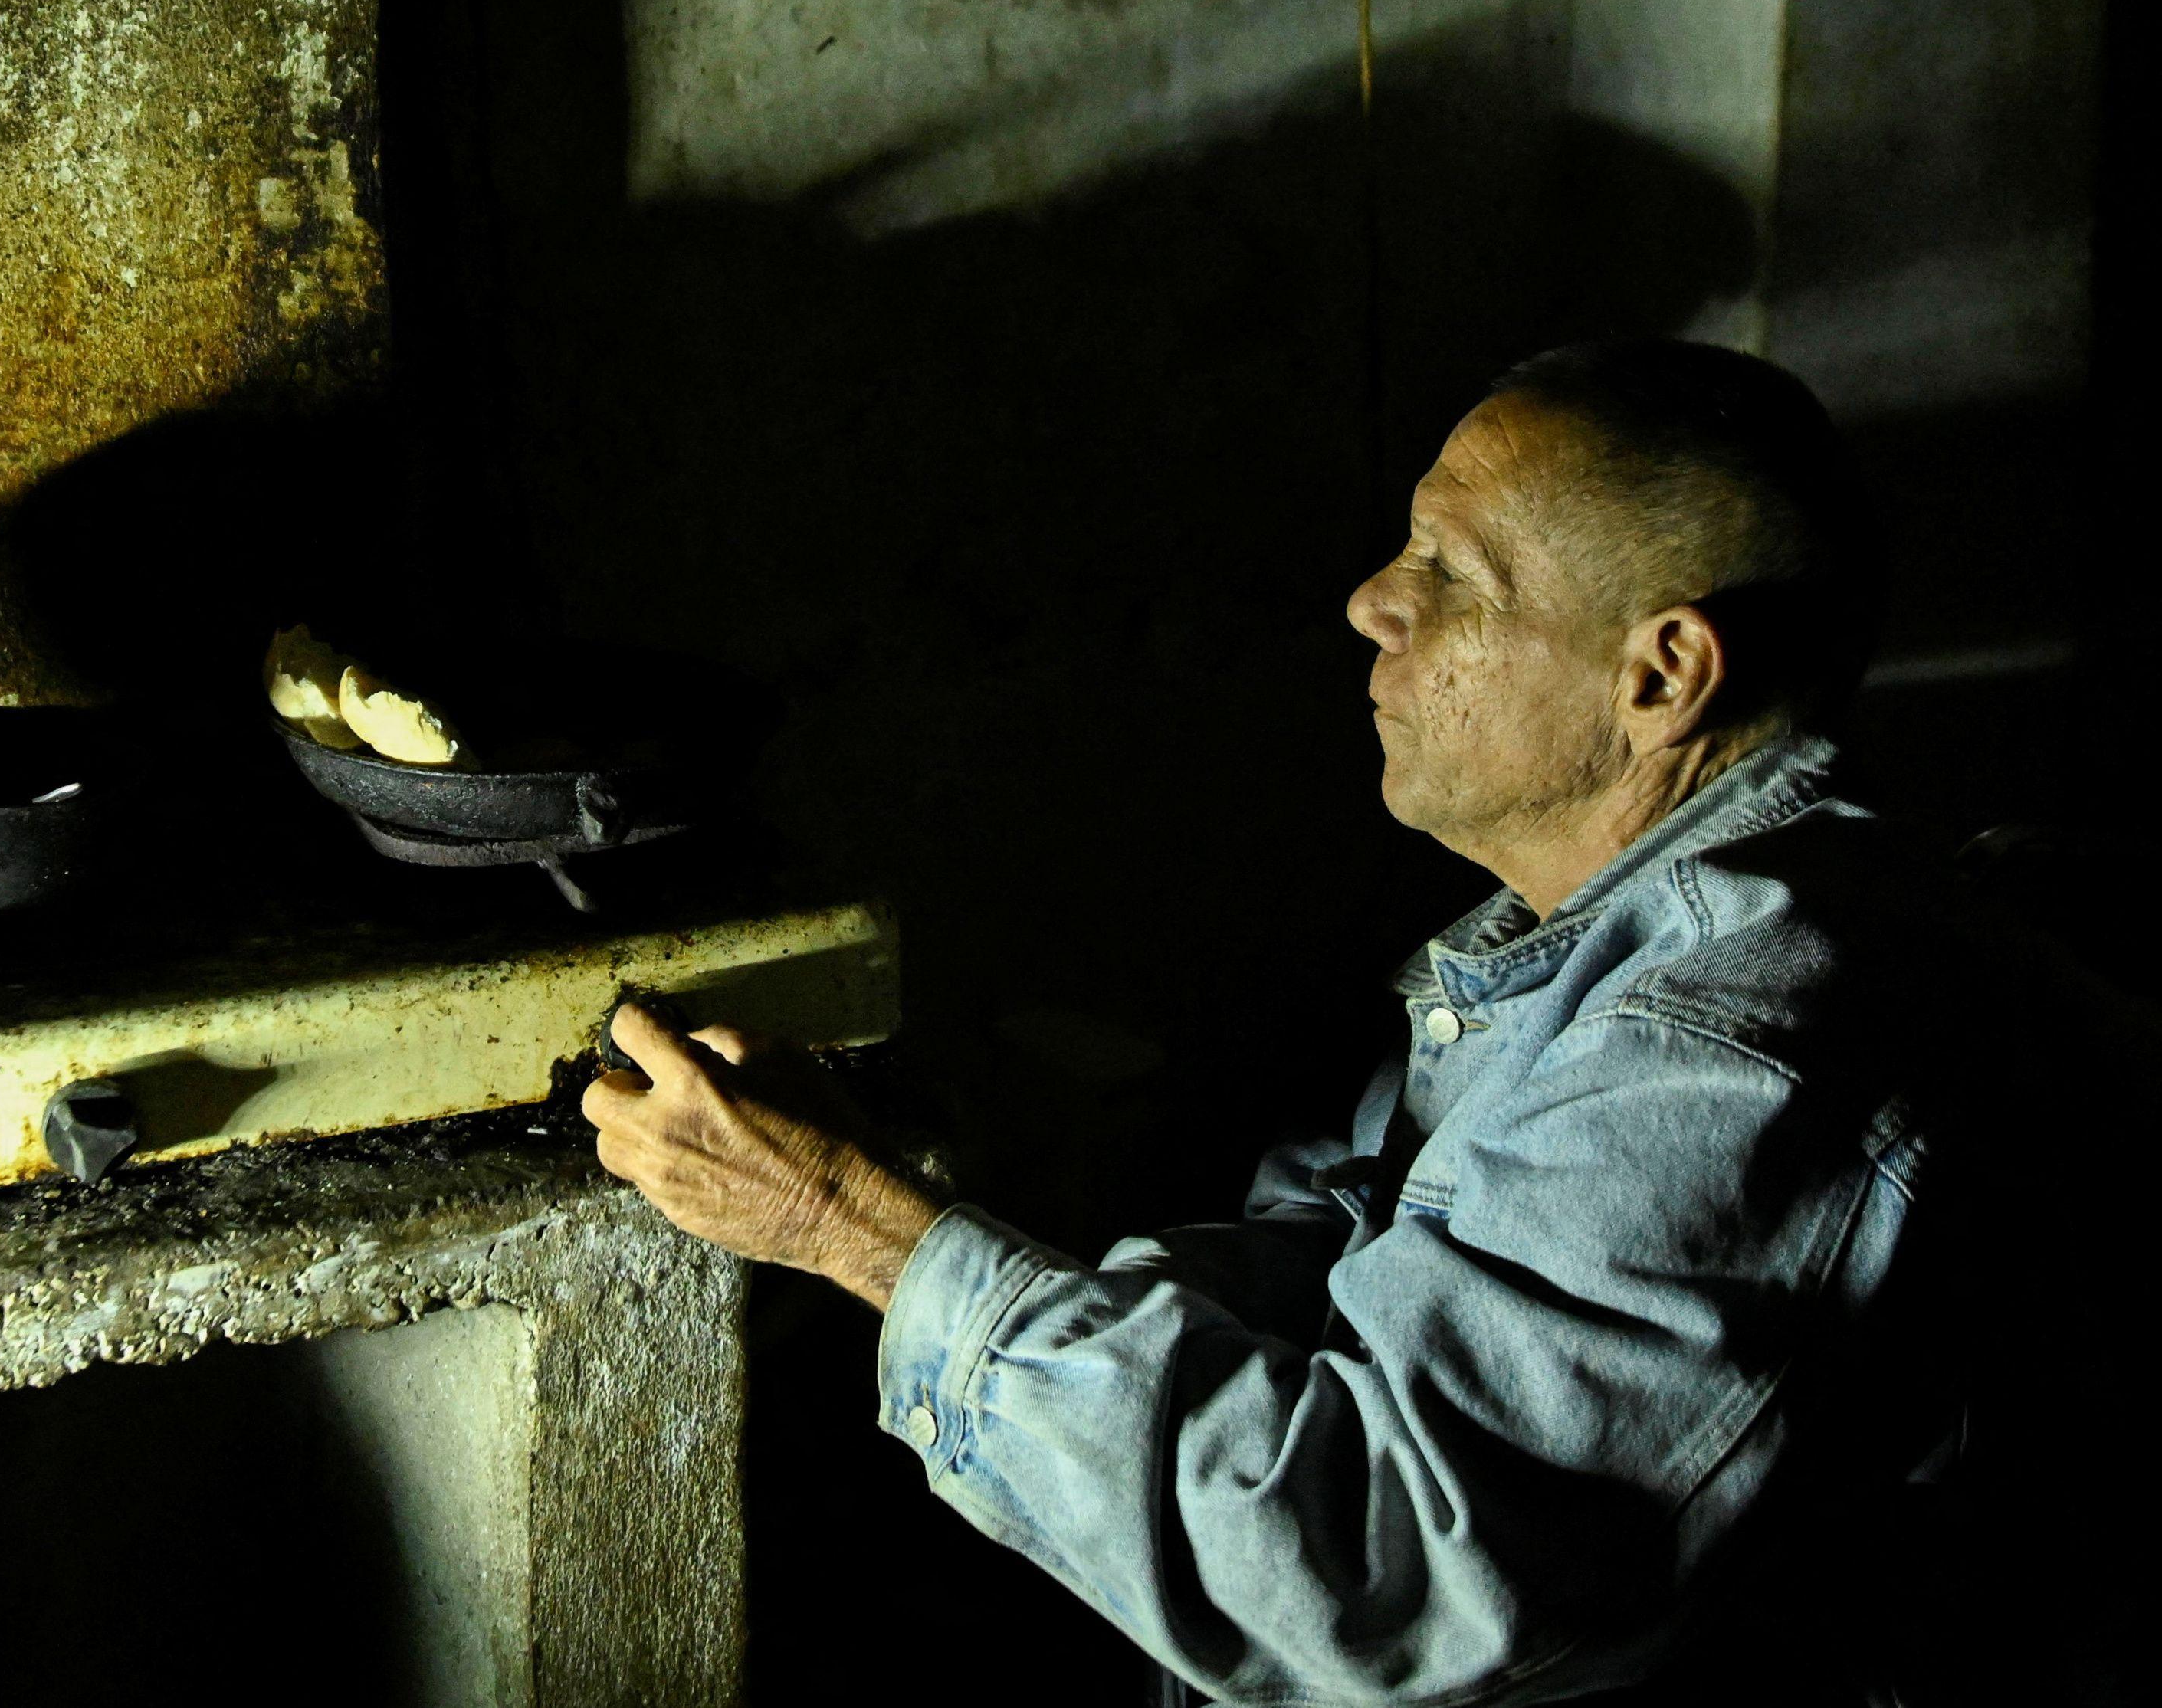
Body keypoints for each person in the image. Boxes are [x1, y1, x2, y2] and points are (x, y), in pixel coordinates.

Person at [586, 339, 2038, 1704]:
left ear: (1661, 676)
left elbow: (1388, 1572)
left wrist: (851, 1223)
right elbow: (1367, 1261)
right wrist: (969, 1257)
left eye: (1452, 574)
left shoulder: (1731, 1044)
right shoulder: (1613, 928)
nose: (1373, 602)